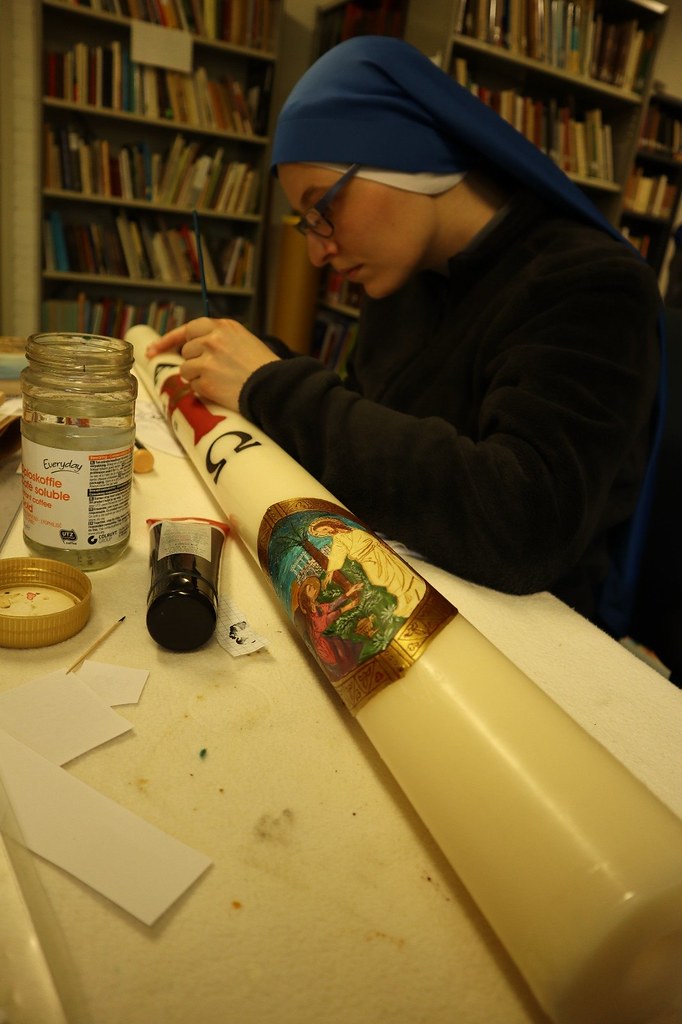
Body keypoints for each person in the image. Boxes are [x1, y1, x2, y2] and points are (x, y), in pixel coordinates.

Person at [146, 35, 664, 636]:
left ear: (405, 155)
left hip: (526, 640)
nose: (316, 252)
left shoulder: (591, 282)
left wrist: (271, 385)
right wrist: (255, 363)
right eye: (305, 223)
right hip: (397, 587)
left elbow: (524, 524)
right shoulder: (409, 276)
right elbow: (375, 426)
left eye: (323, 209)